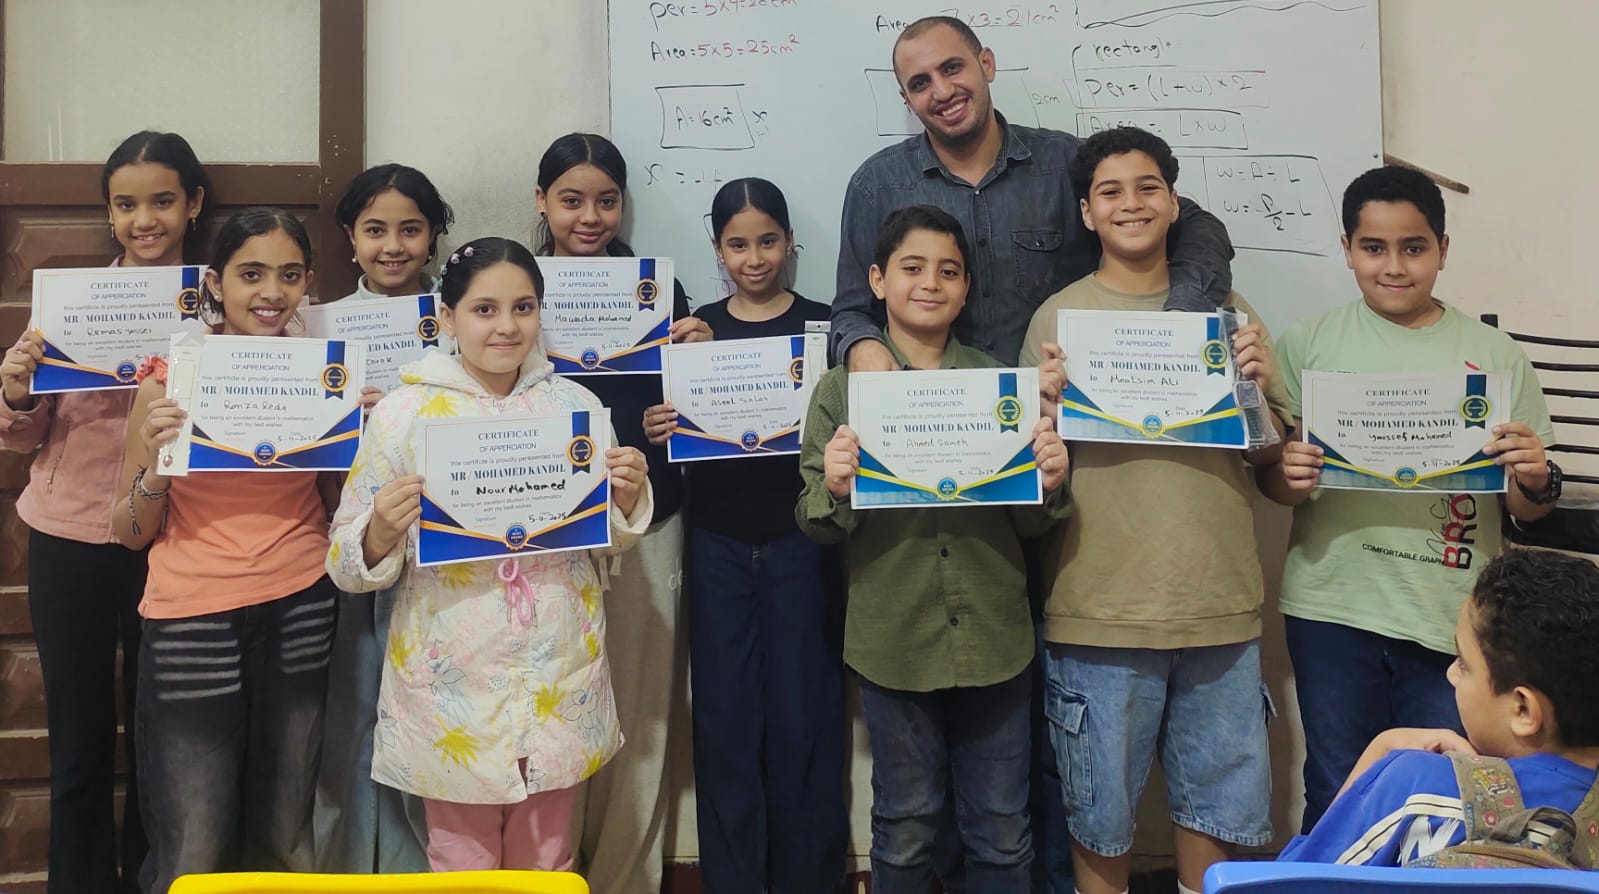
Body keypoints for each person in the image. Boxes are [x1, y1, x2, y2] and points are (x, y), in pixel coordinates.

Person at [326, 236, 652, 870]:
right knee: (460, 861)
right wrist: (380, 531)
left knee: (549, 858)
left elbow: (607, 542)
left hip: (559, 667)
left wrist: (629, 497)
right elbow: (344, 561)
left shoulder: (575, 408)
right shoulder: (402, 415)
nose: (506, 326)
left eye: (523, 307)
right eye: (484, 309)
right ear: (447, 318)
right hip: (452, 679)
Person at [1020, 127, 1289, 894]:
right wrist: (1042, 414)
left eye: (1147, 187)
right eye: (1109, 191)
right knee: (1098, 819)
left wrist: (1255, 391)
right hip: (1097, 609)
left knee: (1217, 815)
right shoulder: (1055, 321)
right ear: (1086, 212)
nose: (1130, 204)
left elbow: (1269, 461)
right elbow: (1027, 480)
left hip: (1217, 608)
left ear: (1173, 202)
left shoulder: (1227, 312)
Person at [1261, 165, 1559, 831]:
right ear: (1347, 250)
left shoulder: (1493, 354)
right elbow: (1275, 486)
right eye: (1373, 248)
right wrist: (1290, 471)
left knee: (1451, 794)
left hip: (1452, 617)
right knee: (1339, 787)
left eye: (1413, 247)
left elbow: (1527, 510)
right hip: (1333, 608)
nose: (1393, 266)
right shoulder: (1308, 345)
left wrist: (1535, 477)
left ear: (1442, 250)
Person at [797, 204, 1072, 892]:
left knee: (1003, 832)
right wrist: (836, 487)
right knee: (905, 827)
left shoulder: (998, 384)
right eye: (912, 268)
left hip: (995, 642)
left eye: (949, 271)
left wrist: (1047, 482)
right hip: (894, 643)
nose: (930, 283)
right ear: (877, 281)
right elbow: (813, 521)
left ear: (967, 288)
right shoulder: (840, 392)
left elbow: (1030, 527)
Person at [0, 129, 208, 894]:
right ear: (110, 214)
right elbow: (24, 436)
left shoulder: (221, 303)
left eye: (162, 201)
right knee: (78, 743)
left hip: (175, 540)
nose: (143, 220)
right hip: (68, 537)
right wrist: (16, 390)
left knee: (162, 744)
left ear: (194, 203)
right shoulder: (71, 303)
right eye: (125, 205)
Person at [116, 208, 335, 894]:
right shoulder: (167, 382)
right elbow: (128, 530)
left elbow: (341, 505)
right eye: (251, 274)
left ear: (308, 282)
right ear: (215, 283)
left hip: (303, 604)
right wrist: (159, 464)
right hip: (192, 617)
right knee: (193, 842)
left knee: (288, 834)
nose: (271, 293)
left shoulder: (324, 376)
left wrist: (360, 428)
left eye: (289, 275)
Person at [642, 178, 848, 892]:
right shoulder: (692, 331)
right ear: (717, 249)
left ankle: (810, 879)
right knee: (725, 722)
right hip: (717, 543)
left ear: (790, 242)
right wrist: (659, 424)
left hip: (803, 543)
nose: (754, 258)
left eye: (767, 241)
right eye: (737, 244)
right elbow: (672, 433)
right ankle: (733, 881)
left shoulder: (826, 328)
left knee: (805, 717)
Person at [832, 15, 1236, 374]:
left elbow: (1196, 226)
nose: (941, 91)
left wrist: (1186, 312)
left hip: (1067, 409)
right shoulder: (876, 186)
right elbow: (852, 309)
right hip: (934, 415)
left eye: (952, 68)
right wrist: (860, 344)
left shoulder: (1066, 164)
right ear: (907, 100)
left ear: (986, 64)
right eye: (920, 83)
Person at [531, 132, 711, 894]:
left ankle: (625, 879)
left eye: (606, 201)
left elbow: (690, 413)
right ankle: (551, 874)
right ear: (541, 202)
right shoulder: (514, 287)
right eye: (571, 200)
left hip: (649, 521)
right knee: (552, 710)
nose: (589, 217)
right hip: (544, 531)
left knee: (639, 710)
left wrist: (700, 360)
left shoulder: (658, 293)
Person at [1278, 549, 1599, 866]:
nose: (1451, 674)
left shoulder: (1415, 786)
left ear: (1523, 710)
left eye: (1464, 663)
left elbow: (1292, 882)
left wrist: (1380, 751)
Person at [315, 162, 454, 873]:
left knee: (431, 716)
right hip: (357, 539)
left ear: (433, 237)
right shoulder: (320, 327)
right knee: (358, 708)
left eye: (410, 229)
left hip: (444, 550)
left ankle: (422, 868)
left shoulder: (465, 319)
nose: (393, 246)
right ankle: (351, 868)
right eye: (375, 230)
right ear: (350, 236)